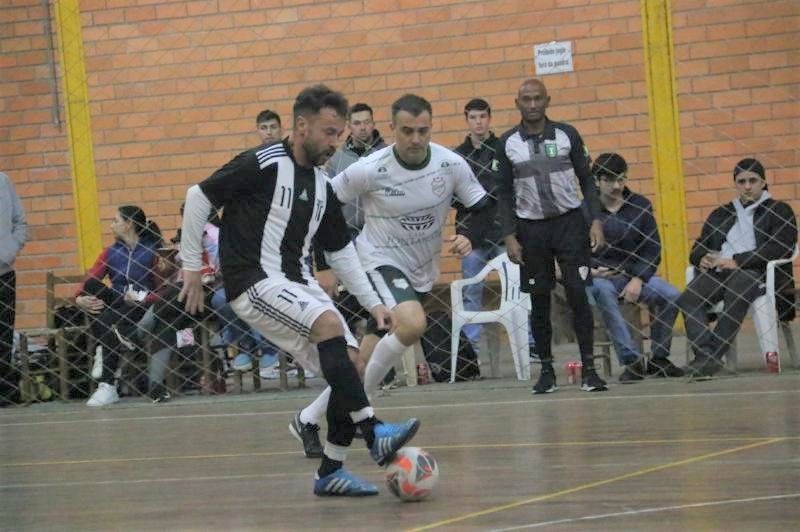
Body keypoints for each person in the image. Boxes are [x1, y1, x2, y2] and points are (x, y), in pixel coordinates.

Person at [179, 84, 420, 497]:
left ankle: (331, 471)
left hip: (297, 283)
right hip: (253, 280)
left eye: (339, 134)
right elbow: (197, 197)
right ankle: (374, 429)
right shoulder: (263, 161)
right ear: (302, 125)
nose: (334, 142)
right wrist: (190, 268)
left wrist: (374, 303)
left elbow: (341, 251)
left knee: (353, 364)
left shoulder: (322, 185)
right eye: (328, 132)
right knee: (329, 324)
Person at [291, 93, 493, 456]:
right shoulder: (370, 168)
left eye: (423, 131)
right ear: (392, 130)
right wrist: (324, 263)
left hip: (419, 270)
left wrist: (470, 234)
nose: (415, 139)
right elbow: (324, 205)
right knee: (413, 324)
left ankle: (308, 417)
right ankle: (362, 415)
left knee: (363, 362)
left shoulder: (450, 164)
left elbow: (483, 207)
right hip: (377, 260)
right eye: (407, 131)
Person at [496, 78, 608, 394]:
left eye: (537, 99)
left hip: (569, 225)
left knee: (577, 294)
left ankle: (589, 370)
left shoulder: (567, 134)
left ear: (548, 100)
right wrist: (509, 235)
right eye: (526, 99)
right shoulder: (507, 143)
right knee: (539, 299)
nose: (532, 105)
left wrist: (595, 221)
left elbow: (587, 180)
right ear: (517, 103)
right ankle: (546, 371)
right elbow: (503, 193)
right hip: (531, 230)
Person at [678, 158, 797, 378]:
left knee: (737, 291)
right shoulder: (722, 213)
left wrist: (738, 261)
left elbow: (781, 246)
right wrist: (700, 257)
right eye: (741, 181)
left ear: (763, 182)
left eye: (753, 180)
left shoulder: (779, 210)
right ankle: (706, 356)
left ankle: (708, 359)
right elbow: (700, 245)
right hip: (719, 272)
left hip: (755, 272)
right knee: (688, 298)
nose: (747, 186)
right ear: (735, 184)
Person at [588, 153, 684, 382]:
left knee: (672, 295)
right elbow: (572, 250)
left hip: (633, 274)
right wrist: (589, 269)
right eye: (609, 180)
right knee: (603, 292)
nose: (616, 186)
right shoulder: (585, 210)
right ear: (596, 181)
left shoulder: (640, 206)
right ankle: (631, 360)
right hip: (598, 276)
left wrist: (638, 279)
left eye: (621, 179)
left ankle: (659, 358)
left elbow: (652, 249)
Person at [453, 97, 537, 359]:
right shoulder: (458, 156)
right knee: (471, 290)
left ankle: (530, 343)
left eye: (482, 117)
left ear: (490, 118)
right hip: (471, 235)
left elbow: (507, 188)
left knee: (520, 288)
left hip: (503, 233)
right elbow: (455, 196)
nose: (478, 122)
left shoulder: (503, 148)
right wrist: (482, 194)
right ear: (466, 120)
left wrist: (478, 193)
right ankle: (472, 351)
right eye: (473, 117)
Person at [75, 205, 162, 407]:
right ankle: (108, 345)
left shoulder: (153, 250)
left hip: (143, 304)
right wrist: (79, 298)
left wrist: (143, 299)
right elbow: (90, 278)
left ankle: (107, 383)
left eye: (115, 220)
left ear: (129, 223)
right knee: (91, 287)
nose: (111, 225)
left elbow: (164, 289)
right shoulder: (111, 252)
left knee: (106, 319)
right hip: (118, 300)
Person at [0, 172, 27, 407]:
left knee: (4, 334)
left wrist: (11, 248)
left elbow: (20, 221)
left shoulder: (3, 181)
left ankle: (3, 392)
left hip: (3, 271)